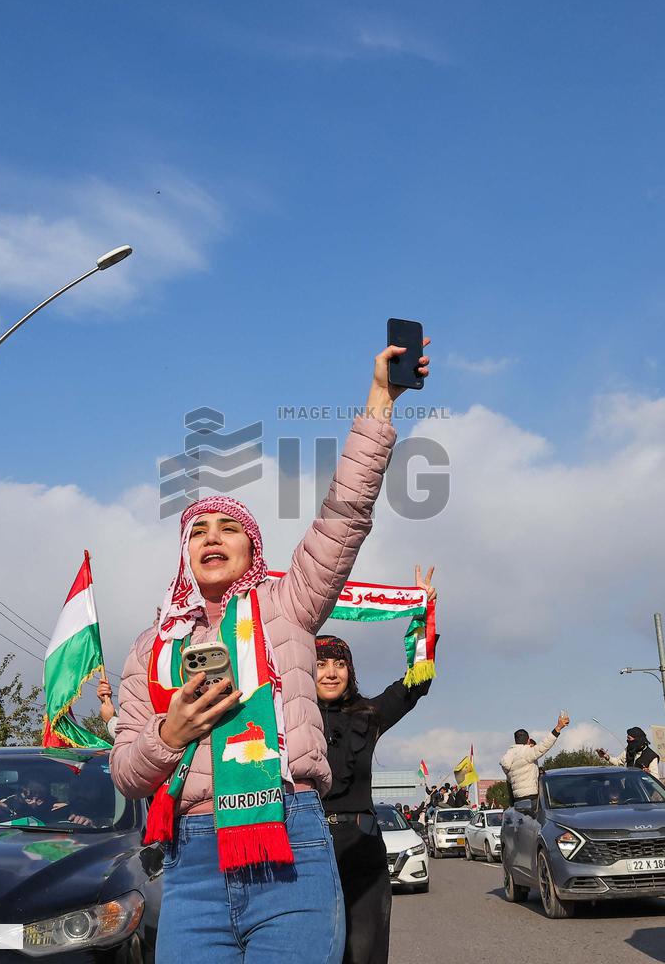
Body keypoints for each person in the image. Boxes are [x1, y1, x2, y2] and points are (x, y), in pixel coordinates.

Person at [110, 339, 431, 964]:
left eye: (228, 527)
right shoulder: (151, 648)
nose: (211, 537)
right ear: (183, 553)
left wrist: (380, 403)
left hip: (291, 845)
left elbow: (345, 514)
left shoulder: (288, 607)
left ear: (251, 548)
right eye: (197, 530)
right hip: (190, 861)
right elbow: (127, 772)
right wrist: (167, 734)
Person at [316, 565, 436, 964]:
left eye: (339, 664)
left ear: (350, 671)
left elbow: (416, 683)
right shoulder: (288, 718)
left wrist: (423, 615)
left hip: (362, 846)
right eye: (320, 664)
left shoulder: (369, 714)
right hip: (306, 847)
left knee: (364, 951)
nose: (330, 672)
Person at [499, 711, 570, 806]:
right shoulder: (526, 752)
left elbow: (510, 785)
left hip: (517, 799)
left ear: (515, 741)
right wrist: (558, 728)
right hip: (531, 798)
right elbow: (544, 745)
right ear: (528, 740)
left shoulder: (510, 756)